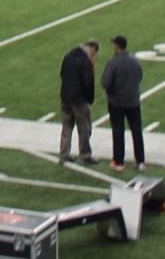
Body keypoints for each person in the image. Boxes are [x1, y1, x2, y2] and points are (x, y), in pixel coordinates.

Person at [100, 35, 145, 171]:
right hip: (133, 101)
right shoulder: (135, 60)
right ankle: (140, 161)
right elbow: (140, 76)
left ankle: (119, 162)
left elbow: (105, 82)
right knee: (137, 131)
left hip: (117, 102)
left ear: (116, 46)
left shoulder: (112, 62)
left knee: (118, 131)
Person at [58, 40, 99, 164]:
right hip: (79, 99)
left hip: (65, 96)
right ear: (92, 48)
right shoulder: (85, 60)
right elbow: (88, 82)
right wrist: (90, 98)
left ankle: (64, 153)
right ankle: (85, 154)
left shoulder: (68, 56)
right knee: (84, 127)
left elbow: (61, 74)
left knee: (66, 126)